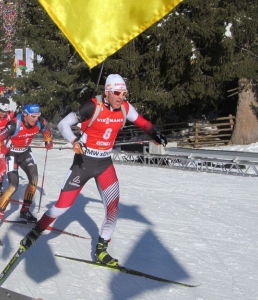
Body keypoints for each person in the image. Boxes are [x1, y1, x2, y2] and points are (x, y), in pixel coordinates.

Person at [19, 74, 167, 266]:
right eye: (116, 92)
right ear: (107, 92)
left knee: (113, 209)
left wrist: (155, 134)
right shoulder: (92, 106)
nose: (120, 97)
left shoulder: (125, 108)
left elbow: (144, 123)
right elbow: (64, 124)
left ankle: (101, 249)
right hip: (83, 164)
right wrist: (74, 141)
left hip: (105, 165)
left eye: (123, 93)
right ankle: (36, 232)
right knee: (61, 207)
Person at [0, 103, 54, 229]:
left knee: (34, 180)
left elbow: (46, 130)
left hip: (25, 152)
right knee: (13, 186)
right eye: (33, 116)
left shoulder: (39, 121)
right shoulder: (13, 124)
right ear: (25, 114)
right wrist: (3, 149)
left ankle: (24, 212)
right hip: (12, 154)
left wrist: (48, 141)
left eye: (38, 115)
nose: (36, 118)